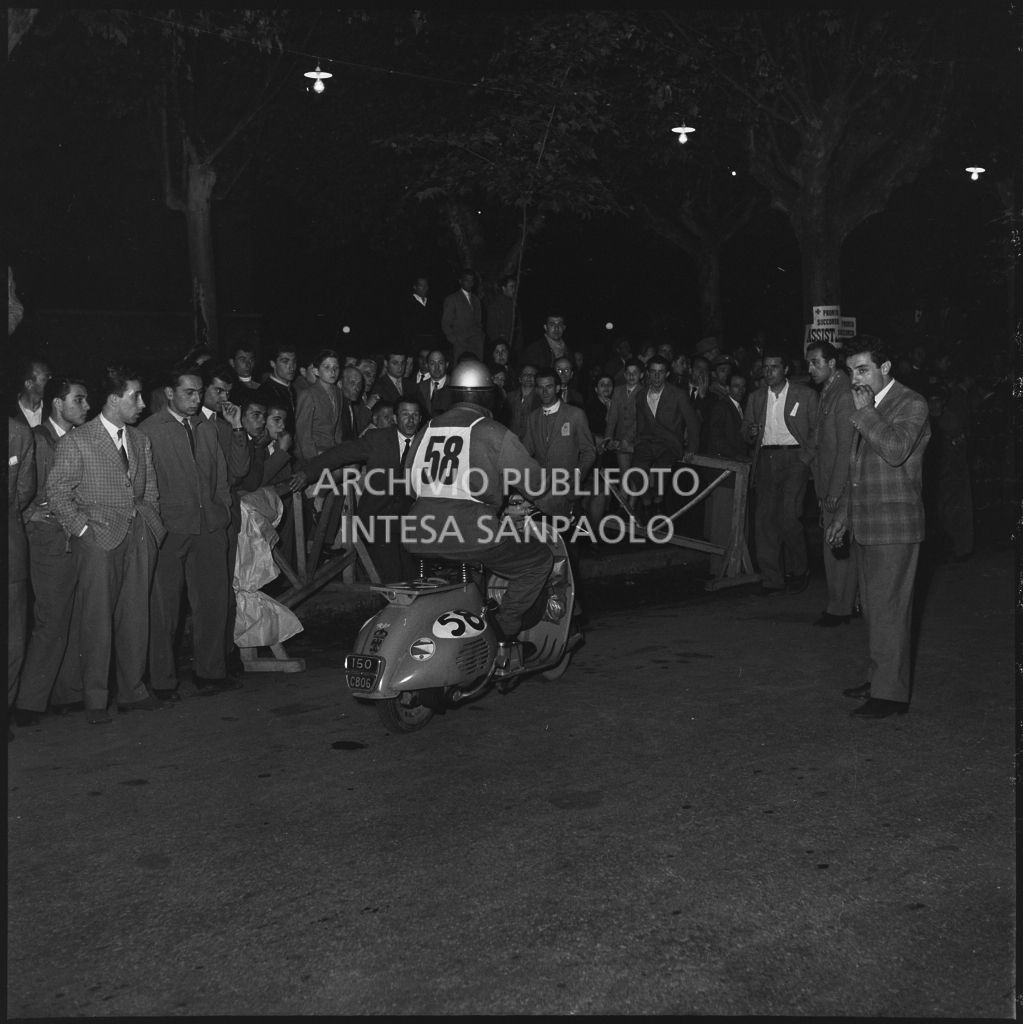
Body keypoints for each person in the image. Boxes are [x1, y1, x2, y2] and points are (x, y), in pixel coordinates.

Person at [403, 360, 559, 644]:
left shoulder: (427, 429)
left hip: (418, 533)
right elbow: (536, 484)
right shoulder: (492, 430)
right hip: (470, 534)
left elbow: (411, 486)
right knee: (538, 560)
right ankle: (505, 626)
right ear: (487, 395)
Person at [47, 365, 168, 724]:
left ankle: (133, 691)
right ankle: (96, 699)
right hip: (98, 539)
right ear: (114, 399)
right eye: (135, 396)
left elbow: (150, 490)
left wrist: (152, 527)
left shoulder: (140, 440)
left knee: (136, 616)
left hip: (139, 534)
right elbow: (57, 492)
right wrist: (83, 531)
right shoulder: (78, 440)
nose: (142, 404)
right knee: (96, 621)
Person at [825, 336, 931, 719]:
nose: (855, 379)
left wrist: (866, 412)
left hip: (895, 525)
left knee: (889, 610)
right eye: (851, 371)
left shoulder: (911, 403)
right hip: (867, 523)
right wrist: (843, 515)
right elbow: (857, 470)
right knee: (874, 610)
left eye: (863, 370)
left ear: (884, 368)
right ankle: (880, 680)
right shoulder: (868, 405)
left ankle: (890, 696)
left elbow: (895, 450)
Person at [140, 365, 238, 700]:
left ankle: (210, 672)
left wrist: (222, 509)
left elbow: (220, 475)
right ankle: (162, 680)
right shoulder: (150, 430)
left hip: (209, 526)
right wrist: (157, 524)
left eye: (199, 392)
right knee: (164, 607)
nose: (197, 399)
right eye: (189, 393)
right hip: (170, 529)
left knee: (213, 602)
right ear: (170, 393)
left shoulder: (207, 428)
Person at [14, 377, 90, 726]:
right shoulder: (38, 440)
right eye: (79, 400)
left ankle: (66, 693)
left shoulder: (77, 439)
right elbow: (20, 491)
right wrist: (29, 512)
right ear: (58, 404)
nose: (86, 406)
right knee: (52, 617)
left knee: (73, 614)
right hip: (48, 540)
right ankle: (29, 702)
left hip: (73, 536)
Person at [292, 397, 426, 583]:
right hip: (378, 518)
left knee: (413, 576)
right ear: (395, 418)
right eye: (405, 414)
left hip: (410, 520)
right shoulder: (377, 439)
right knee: (393, 575)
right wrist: (307, 473)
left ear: (420, 418)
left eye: (415, 415)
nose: (410, 420)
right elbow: (339, 454)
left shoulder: (426, 443)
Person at [742, 351, 817, 595]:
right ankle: (772, 578)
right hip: (766, 458)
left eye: (774, 367)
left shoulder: (805, 395)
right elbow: (745, 429)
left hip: (794, 458)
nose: (768, 371)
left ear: (785, 370)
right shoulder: (756, 397)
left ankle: (800, 569)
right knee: (765, 520)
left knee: (789, 516)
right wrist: (750, 433)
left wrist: (805, 459)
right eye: (765, 367)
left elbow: (817, 430)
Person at [806, 342, 858, 626]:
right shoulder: (829, 391)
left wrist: (835, 492)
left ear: (832, 363)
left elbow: (845, 449)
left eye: (815, 362)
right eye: (809, 363)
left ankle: (840, 608)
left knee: (836, 548)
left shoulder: (843, 394)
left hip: (839, 486)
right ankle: (850, 602)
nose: (810, 369)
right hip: (828, 482)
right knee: (841, 547)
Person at [631, 355, 701, 522]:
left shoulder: (678, 394)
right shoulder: (640, 395)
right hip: (646, 442)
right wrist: (637, 442)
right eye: (653, 372)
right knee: (636, 472)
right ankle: (647, 504)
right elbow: (640, 423)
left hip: (669, 444)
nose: (656, 376)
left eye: (661, 372)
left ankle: (658, 502)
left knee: (661, 472)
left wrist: (691, 449)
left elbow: (692, 423)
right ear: (647, 373)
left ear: (667, 374)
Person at [522, 370, 596, 518]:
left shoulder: (575, 414)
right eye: (540, 387)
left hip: (567, 490)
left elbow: (589, 451)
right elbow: (525, 452)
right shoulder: (533, 417)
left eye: (549, 386)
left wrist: (577, 474)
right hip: (541, 491)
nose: (544, 391)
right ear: (536, 390)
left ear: (557, 388)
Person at [8, 416, 36, 736]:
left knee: (13, 640)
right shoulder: (17, 432)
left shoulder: (18, 433)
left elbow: (24, 492)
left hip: (11, 552)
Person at [294, 348, 343, 462]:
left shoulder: (338, 393)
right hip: (314, 452)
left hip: (332, 449)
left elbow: (337, 428)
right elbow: (303, 433)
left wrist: (340, 450)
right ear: (316, 371)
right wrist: (313, 459)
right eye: (327, 367)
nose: (332, 371)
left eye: (335, 367)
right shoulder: (308, 394)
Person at [441, 269, 485, 363]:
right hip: (461, 343)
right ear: (460, 281)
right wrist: (455, 340)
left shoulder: (476, 299)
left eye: (472, 281)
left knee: (477, 368)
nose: (469, 283)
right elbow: (445, 323)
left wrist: (480, 336)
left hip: (476, 343)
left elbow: (479, 321)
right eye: (467, 280)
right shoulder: (452, 299)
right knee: (461, 368)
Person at [258, 344, 299, 431]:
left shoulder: (292, 389)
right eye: (285, 361)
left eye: (294, 362)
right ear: (273, 363)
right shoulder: (264, 392)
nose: (292, 367)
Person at [485, 275, 523, 358]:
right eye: (511, 287)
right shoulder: (495, 306)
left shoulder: (514, 305)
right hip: (502, 348)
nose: (514, 290)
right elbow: (492, 330)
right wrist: (501, 346)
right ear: (504, 288)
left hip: (515, 347)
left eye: (515, 287)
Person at [401, 276, 440, 353]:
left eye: (426, 285)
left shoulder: (433, 303)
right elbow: (405, 325)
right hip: (414, 342)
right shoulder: (407, 302)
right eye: (421, 285)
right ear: (415, 287)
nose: (424, 288)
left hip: (431, 341)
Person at [12, 356, 52, 428]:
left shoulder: (53, 412)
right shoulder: (9, 413)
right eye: (45, 379)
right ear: (29, 384)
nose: (51, 382)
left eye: (50, 377)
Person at [505, 363, 541, 440]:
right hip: (511, 440)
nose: (529, 377)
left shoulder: (541, 398)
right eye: (525, 374)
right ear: (520, 378)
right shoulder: (509, 397)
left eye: (533, 374)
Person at [418, 349, 453, 419]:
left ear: (446, 364)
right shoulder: (420, 387)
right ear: (427, 366)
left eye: (440, 363)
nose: (437, 367)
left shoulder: (454, 385)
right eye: (432, 363)